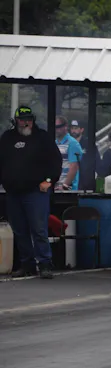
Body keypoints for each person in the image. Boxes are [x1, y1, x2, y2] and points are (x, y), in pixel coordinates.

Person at [0, 106, 62, 278]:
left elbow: (55, 162)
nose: (26, 123)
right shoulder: (7, 138)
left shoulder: (42, 138)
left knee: (39, 229)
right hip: (13, 192)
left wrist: (49, 181)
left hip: (36, 192)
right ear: (16, 121)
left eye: (29, 119)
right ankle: (27, 264)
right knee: (19, 230)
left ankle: (45, 264)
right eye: (22, 120)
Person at [55, 115, 83, 190]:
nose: (56, 129)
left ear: (66, 127)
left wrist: (65, 186)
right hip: (56, 187)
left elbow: (74, 166)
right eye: (55, 127)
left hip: (68, 189)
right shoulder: (55, 143)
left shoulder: (72, 143)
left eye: (58, 127)